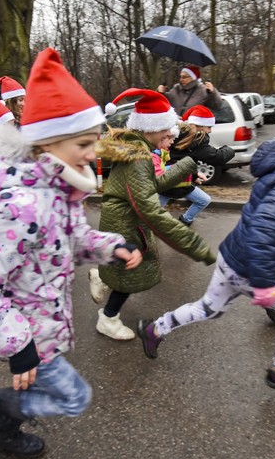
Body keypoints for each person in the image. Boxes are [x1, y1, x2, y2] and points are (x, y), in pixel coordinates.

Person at [0, 47, 142, 458]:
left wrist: (112, 247)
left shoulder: (56, 191)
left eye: (95, 142)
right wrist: (18, 345)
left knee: (33, 385)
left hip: (43, 319)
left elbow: (71, 240)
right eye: (84, 143)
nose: (94, 154)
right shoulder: (21, 204)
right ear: (48, 144)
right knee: (74, 398)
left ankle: (0, 431)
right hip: (29, 331)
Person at [137, 100, 275, 391]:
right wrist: (265, 282)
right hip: (254, 268)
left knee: (208, 308)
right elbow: (266, 226)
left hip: (233, 256)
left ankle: (156, 328)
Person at [91, 88, 216, 340]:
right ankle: (108, 318)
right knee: (133, 272)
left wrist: (186, 166)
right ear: (150, 127)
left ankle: (102, 277)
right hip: (126, 224)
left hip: (121, 220)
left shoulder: (138, 148)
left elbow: (152, 185)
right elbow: (150, 209)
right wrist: (194, 245)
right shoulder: (139, 156)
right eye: (166, 128)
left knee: (128, 266)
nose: (171, 134)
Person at [160, 105, 234, 226]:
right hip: (174, 183)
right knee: (203, 200)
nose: (210, 131)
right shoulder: (196, 140)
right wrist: (229, 149)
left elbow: (180, 161)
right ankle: (183, 221)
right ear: (199, 125)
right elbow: (218, 157)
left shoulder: (179, 134)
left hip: (171, 180)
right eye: (209, 127)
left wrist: (194, 175)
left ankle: (185, 220)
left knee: (203, 200)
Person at [157, 66, 222, 117]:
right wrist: (160, 93)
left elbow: (217, 106)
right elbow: (164, 103)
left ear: (193, 78)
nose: (181, 80)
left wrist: (213, 92)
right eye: (180, 77)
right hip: (176, 128)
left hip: (193, 129)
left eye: (184, 77)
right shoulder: (176, 88)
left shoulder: (203, 91)